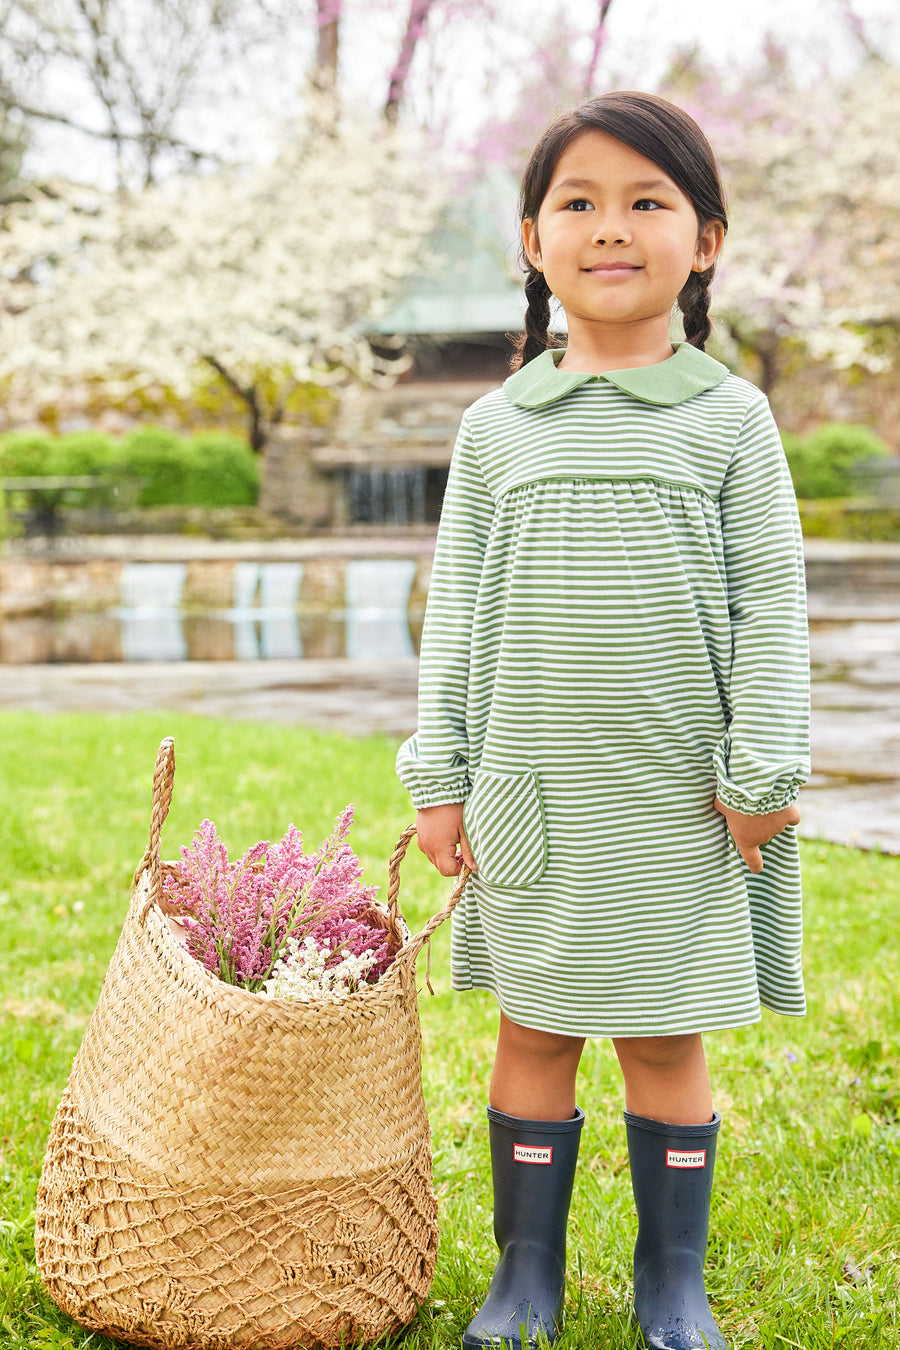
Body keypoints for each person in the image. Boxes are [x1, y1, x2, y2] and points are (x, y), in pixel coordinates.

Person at [396, 90, 809, 1350]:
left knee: (662, 1036)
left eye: (649, 202)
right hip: (534, 796)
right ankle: (526, 1280)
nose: (611, 227)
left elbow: (771, 607)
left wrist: (763, 769)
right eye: (579, 202)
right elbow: (457, 610)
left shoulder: (731, 421)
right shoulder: (495, 430)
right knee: (534, 1026)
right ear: (533, 240)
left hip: (679, 800)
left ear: (708, 240)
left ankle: (668, 1287)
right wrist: (441, 772)